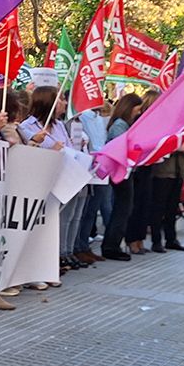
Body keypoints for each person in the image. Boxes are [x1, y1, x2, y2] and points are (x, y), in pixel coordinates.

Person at [18, 86, 77, 284]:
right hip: (36, 184)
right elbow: (24, 154)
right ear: (48, 102)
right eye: (59, 99)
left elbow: (68, 146)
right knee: (35, 228)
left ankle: (48, 269)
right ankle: (32, 273)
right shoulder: (27, 126)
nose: (64, 103)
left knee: (51, 228)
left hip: (59, 182)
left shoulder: (60, 125)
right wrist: (49, 149)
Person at [100, 94, 144, 260]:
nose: (138, 113)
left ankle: (113, 244)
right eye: (137, 109)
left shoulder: (124, 125)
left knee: (123, 208)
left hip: (125, 171)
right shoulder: (120, 126)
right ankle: (111, 245)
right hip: (121, 172)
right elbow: (121, 149)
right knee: (122, 209)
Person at [74, 101, 112, 264]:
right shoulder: (84, 117)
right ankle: (77, 247)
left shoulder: (98, 118)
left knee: (91, 210)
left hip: (100, 167)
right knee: (84, 211)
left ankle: (83, 246)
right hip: (89, 167)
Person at [126, 89, 161, 252]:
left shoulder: (155, 122)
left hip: (149, 166)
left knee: (145, 204)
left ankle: (140, 238)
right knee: (137, 204)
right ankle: (132, 239)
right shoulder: (139, 121)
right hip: (138, 167)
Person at [150, 138, 184, 252]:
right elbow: (156, 147)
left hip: (179, 173)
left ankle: (171, 239)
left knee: (172, 209)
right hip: (162, 173)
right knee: (158, 209)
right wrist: (174, 148)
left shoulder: (183, 127)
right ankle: (156, 241)